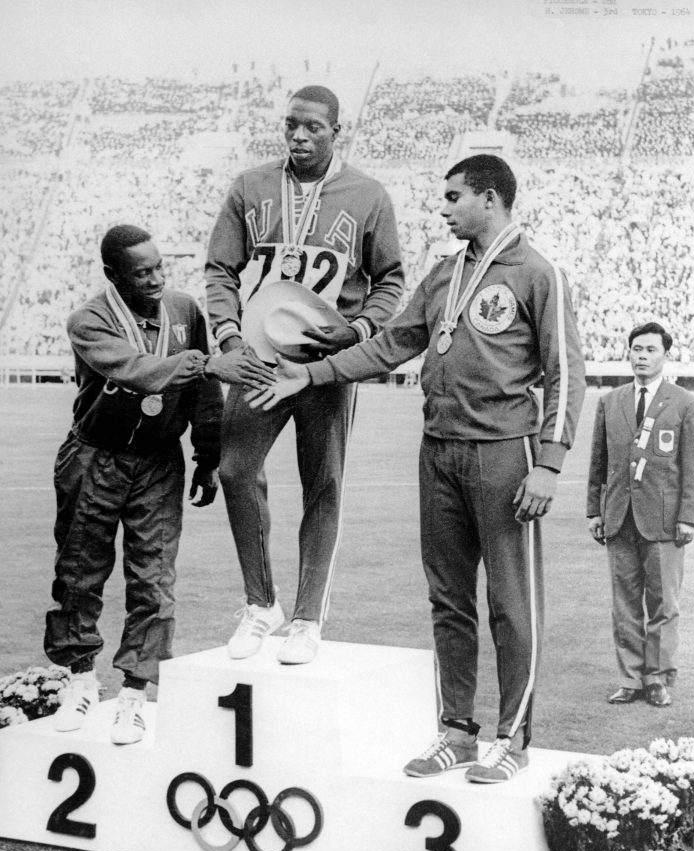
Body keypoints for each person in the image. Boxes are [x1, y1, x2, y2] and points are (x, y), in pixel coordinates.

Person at [246, 154, 586, 783]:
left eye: (454, 197)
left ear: (490, 198)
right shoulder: (444, 274)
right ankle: (456, 732)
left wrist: (550, 464)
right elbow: (391, 344)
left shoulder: (538, 274)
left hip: (504, 453)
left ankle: (513, 739)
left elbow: (566, 374)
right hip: (438, 450)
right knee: (448, 599)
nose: (444, 207)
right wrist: (312, 374)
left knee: (511, 603)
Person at [46, 224, 274, 745]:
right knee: (79, 574)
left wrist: (207, 456)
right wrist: (207, 362)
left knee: (154, 580)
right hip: (95, 457)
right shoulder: (88, 320)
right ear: (113, 275)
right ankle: (79, 680)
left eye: (159, 268)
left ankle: (134, 694)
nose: (155, 280)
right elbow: (137, 370)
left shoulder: (185, 310)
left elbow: (204, 393)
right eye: (141, 273)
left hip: (157, 462)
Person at [205, 84, 404, 665]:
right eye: (291, 124)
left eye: (313, 126)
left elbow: (390, 279)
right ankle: (260, 603)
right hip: (259, 357)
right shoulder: (251, 186)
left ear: (336, 132)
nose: (298, 135)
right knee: (235, 470)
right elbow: (220, 269)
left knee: (323, 484)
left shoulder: (368, 195)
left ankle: (307, 618)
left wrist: (358, 329)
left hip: (326, 365)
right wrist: (230, 336)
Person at [587, 322, 694, 708]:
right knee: (624, 604)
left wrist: (689, 517)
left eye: (651, 350)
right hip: (619, 518)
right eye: (637, 349)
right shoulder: (610, 401)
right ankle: (630, 678)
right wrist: (594, 511)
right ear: (629, 352)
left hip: (664, 522)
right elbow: (599, 463)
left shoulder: (686, 404)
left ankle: (657, 678)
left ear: (665, 355)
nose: (642, 356)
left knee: (663, 605)